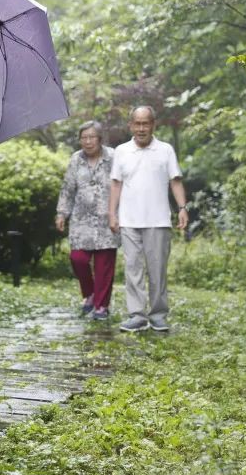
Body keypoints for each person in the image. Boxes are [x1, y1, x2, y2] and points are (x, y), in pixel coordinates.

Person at [108, 106, 188, 333]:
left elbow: (175, 180)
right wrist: (112, 213)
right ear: (131, 125)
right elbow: (116, 183)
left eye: (146, 123)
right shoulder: (121, 151)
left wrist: (182, 208)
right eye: (137, 123)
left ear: (154, 125)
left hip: (158, 220)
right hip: (129, 220)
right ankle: (137, 315)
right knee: (133, 269)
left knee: (157, 270)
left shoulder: (165, 150)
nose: (141, 128)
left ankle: (158, 315)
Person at [56, 121, 120, 321]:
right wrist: (61, 213)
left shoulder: (114, 157)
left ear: (100, 139)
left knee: (104, 266)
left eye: (92, 137)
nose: (88, 141)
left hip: (107, 219)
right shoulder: (76, 159)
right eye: (84, 137)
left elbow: (122, 184)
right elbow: (68, 188)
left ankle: (102, 306)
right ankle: (90, 293)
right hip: (81, 220)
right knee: (78, 259)